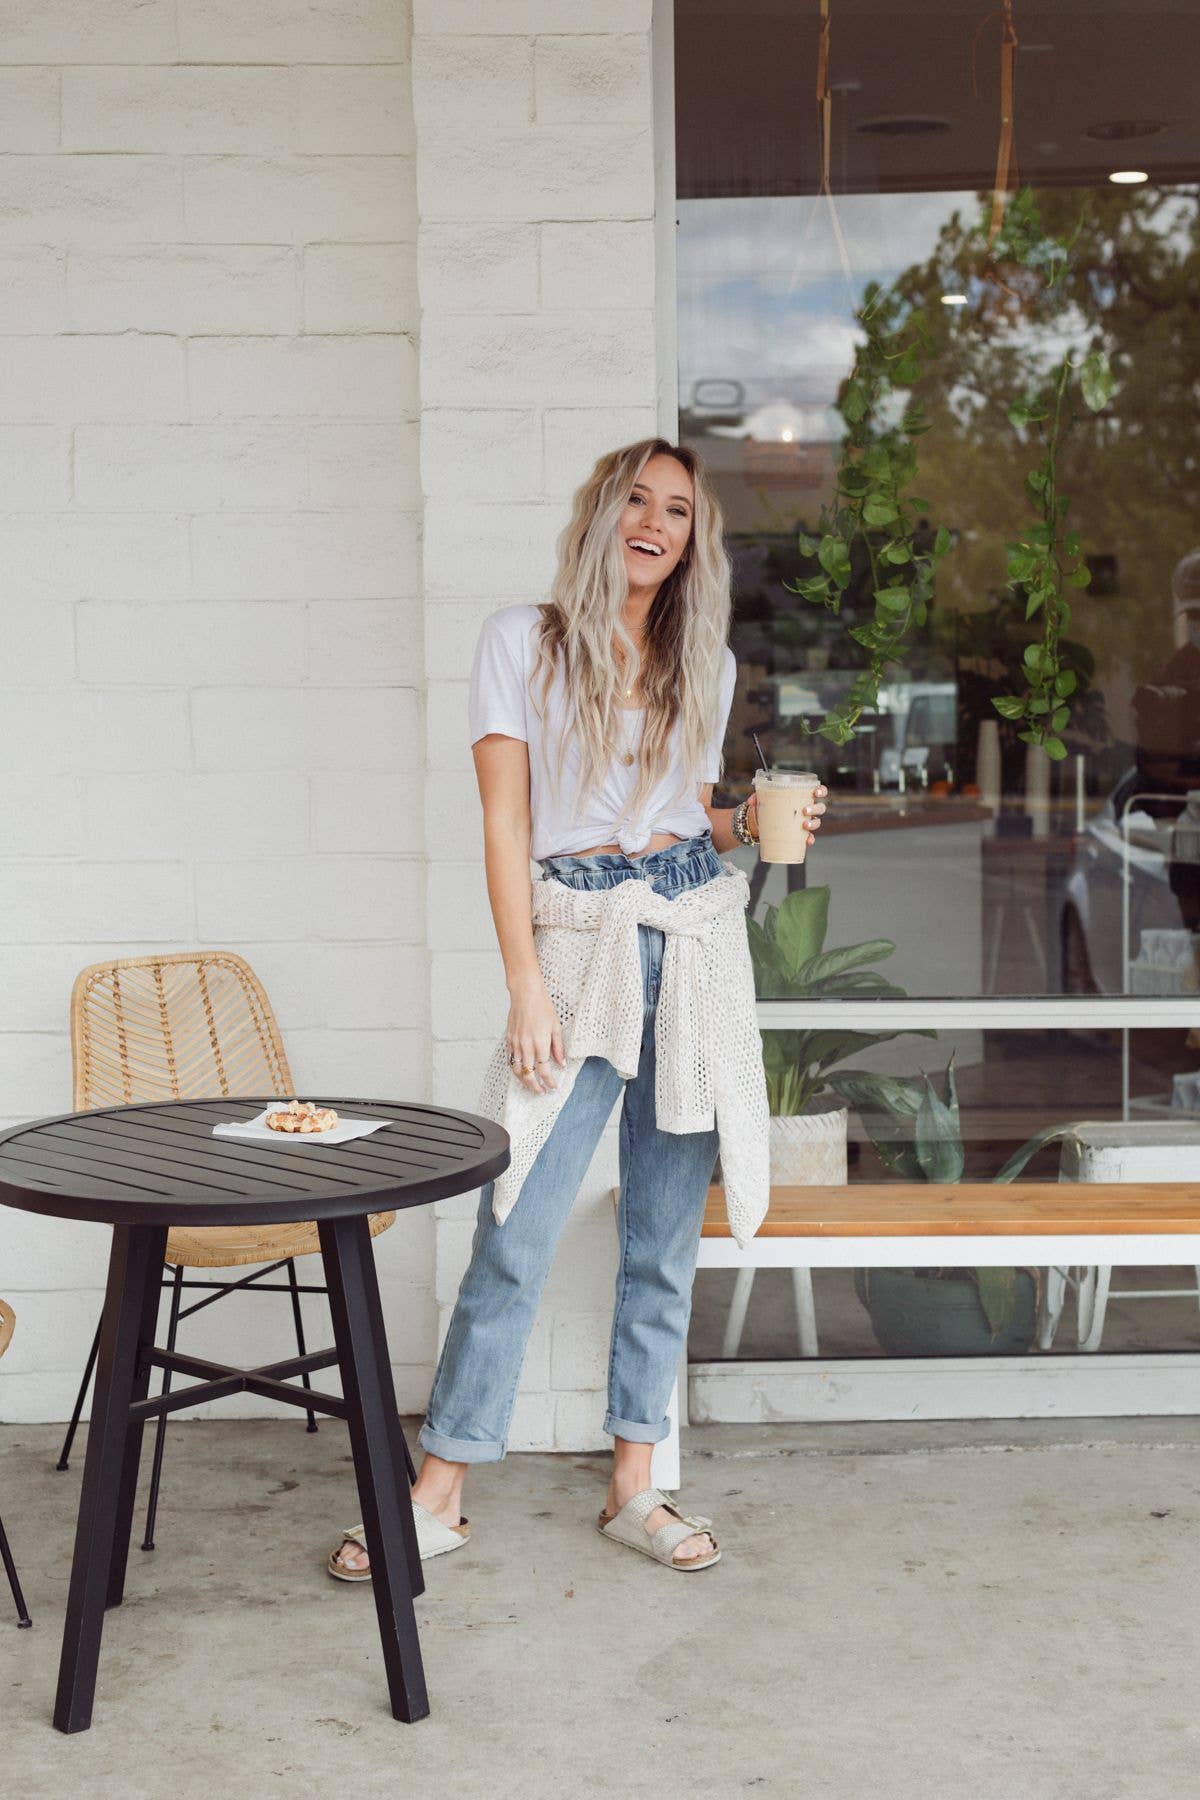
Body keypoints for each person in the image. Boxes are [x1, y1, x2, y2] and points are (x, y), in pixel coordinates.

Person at [328, 438, 827, 1579]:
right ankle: (438, 1492)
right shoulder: (523, 642)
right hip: (581, 942)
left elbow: (688, 816)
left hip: (690, 939)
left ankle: (635, 1485)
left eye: (679, 511)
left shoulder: (702, 662)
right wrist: (524, 985)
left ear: (694, 539)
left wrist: (756, 824)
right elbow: (507, 824)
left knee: (663, 1236)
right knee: (517, 1226)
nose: (655, 523)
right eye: (637, 501)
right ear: (602, 515)